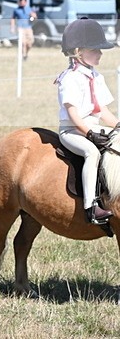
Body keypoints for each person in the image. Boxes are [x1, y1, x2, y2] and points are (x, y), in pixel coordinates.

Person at [55, 18, 119, 224]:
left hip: (93, 126)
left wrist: (118, 125)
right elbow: (72, 113)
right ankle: (91, 207)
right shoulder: (70, 78)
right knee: (92, 153)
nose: (100, 53)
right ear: (78, 51)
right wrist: (89, 134)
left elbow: (102, 111)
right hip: (73, 131)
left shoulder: (96, 77)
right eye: (95, 49)